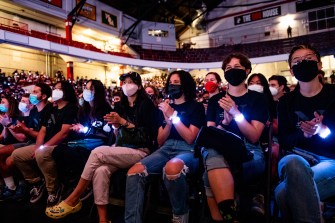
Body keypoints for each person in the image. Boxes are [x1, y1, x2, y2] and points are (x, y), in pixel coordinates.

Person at [46, 72, 158, 223]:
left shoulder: (146, 106)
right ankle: (103, 219)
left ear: (138, 86)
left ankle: (73, 198)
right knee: (100, 170)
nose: (126, 85)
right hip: (121, 148)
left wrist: (123, 122)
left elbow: (147, 136)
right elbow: (118, 134)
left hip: (140, 151)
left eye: (130, 82)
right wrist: (116, 126)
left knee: (98, 152)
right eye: (124, 82)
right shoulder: (120, 105)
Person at [125, 70, 206, 223]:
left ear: (186, 85)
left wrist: (174, 116)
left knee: (172, 168)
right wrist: (168, 122)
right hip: (166, 148)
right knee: (134, 172)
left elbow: (190, 138)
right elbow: (160, 140)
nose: (172, 86)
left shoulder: (196, 107)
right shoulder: (163, 109)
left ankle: (180, 215)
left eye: (176, 83)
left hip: (187, 150)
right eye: (170, 83)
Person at [203, 53, 268, 222]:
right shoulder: (215, 100)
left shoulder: (258, 99)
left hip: (249, 151)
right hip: (220, 148)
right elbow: (210, 134)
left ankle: (225, 217)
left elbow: (254, 136)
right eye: (228, 68)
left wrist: (236, 113)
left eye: (237, 68)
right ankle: (230, 216)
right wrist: (224, 122)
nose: (232, 71)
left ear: (247, 71)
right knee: (212, 155)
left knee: (209, 172)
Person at [275, 44, 335, 223]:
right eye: (297, 61)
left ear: (319, 65)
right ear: (292, 71)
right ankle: (320, 211)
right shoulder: (285, 102)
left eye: (308, 58)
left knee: (283, 194)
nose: (303, 63)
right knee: (293, 163)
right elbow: (284, 140)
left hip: (330, 160)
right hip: (296, 157)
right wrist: (305, 135)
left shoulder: (333, 94)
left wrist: (324, 130)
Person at [12, 81, 78, 207]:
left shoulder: (71, 108)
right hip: (45, 144)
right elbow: (43, 130)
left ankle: (54, 190)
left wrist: (44, 147)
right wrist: (37, 147)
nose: (55, 91)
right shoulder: (51, 109)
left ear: (66, 92)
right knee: (17, 155)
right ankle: (37, 182)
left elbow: (64, 133)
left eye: (59, 89)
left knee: (42, 154)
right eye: (55, 88)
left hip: (61, 145)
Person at [51, 79, 112, 195]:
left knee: (73, 153)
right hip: (85, 139)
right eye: (86, 88)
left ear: (97, 92)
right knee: (58, 151)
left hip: (99, 142)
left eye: (90, 89)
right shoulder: (84, 109)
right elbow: (82, 125)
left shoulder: (105, 109)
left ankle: (83, 185)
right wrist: (77, 128)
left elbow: (103, 132)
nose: (87, 91)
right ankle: (65, 183)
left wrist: (84, 129)